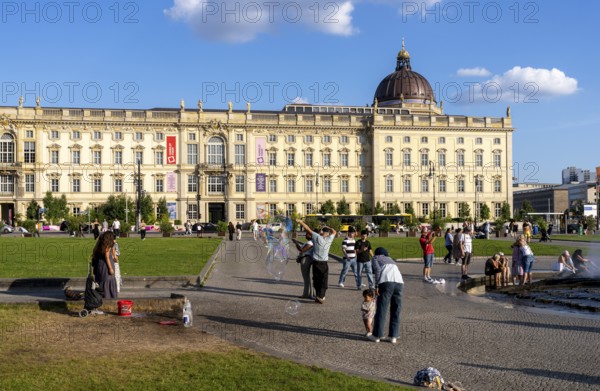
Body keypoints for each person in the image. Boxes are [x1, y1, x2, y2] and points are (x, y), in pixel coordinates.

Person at [368, 247, 404, 344]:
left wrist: (376, 286)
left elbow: (377, 271)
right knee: (396, 309)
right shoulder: (391, 260)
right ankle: (393, 336)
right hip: (399, 283)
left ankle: (377, 335)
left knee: (382, 309)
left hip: (386, 282)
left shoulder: (375, 258)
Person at [296, 219, 337, 304]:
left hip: (316, 263)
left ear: (321, 232)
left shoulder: (316, 237)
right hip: (324, 263)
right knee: (323, 280)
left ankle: (318, 296)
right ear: (328, 233)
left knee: (316, 280)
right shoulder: (330, 239)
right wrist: (327, 227)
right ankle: (321, 296)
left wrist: (301, 222)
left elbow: (308, 229)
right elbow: (334, 232)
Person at [91, 232, 118, 299]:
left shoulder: (100, 244)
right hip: (106, 265)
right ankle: (108, 296)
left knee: (101, 280)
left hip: (100, 264)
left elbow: (113, 249)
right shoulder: (107, 246)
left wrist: (115, 256)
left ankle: (100, 294)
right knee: (108, 280)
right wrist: (110, 268)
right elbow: (107, 257)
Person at [295, 232, 314, 298]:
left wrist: (296, 243)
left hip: (306, 259)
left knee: (306, 277)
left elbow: (302, 250)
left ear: (311, 235)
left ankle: (306, 294)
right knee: (307, 277)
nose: (305, 235)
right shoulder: (310, 242)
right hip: (305, 258)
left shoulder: (310, 242)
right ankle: (310, 293)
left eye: (307, 234)